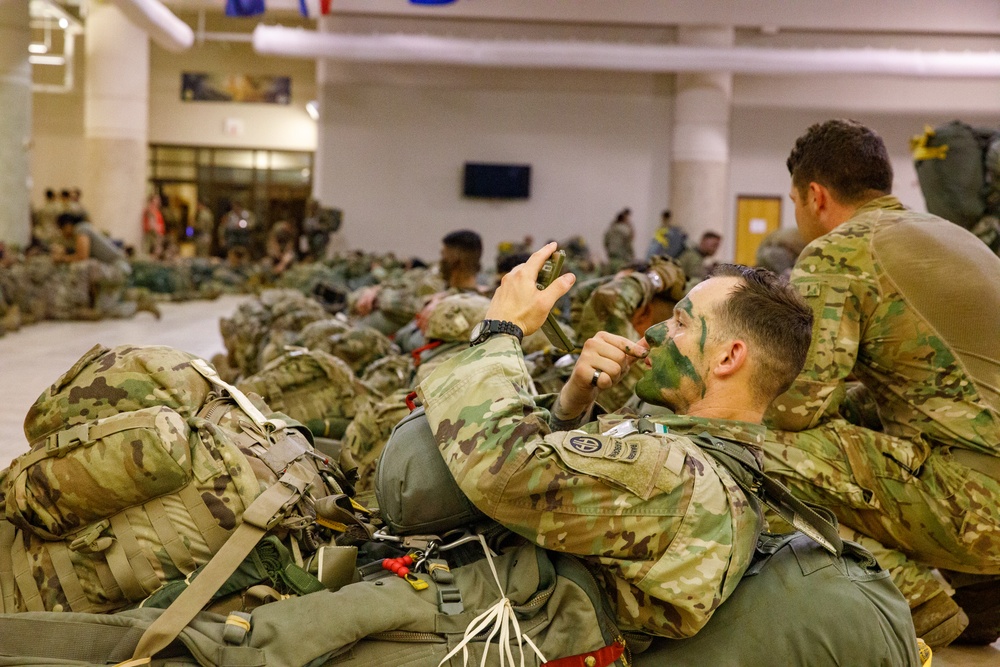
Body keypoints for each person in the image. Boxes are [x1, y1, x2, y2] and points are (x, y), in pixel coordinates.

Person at [418, 243, 814, 639]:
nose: (655, 332)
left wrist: (500, 330)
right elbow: (564, 475)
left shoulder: (677, 475)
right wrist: (573, 403)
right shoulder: (696, 448)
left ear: (728, 359)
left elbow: (502, 475)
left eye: (680, 323)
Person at [761, 118, 1000, 648]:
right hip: (984, 489)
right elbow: (936, 387)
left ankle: (913, 595)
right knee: (860, 420)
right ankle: (979, 592)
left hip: (977, 506)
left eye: (795, 203)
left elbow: (794, 408)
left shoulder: (837, 251)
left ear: (815, 196)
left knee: (745, 444)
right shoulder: (951, 235)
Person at [51, 213, 160, 320]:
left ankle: (82, 305)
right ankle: (137, 300)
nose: (62, 233)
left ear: (67, 225)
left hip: (117, 268)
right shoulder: (85, 229)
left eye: (61, 229)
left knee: (83, 268)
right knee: (106, 308)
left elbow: (82, 256)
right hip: (118, 268)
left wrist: (61, 259)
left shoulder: (81, 229)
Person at [142, 194, 166, 260]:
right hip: (153, 235)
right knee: (152, 253)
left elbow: (160, 224)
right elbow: (152, 225)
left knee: (157, 252)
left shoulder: (157, 212)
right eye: (155, 200)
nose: (157, 202)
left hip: (158, 234)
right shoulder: (149, 211)